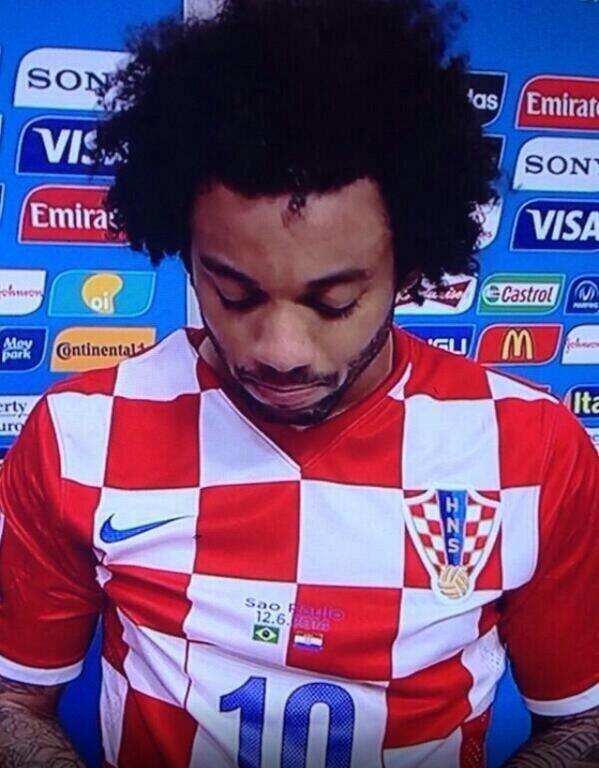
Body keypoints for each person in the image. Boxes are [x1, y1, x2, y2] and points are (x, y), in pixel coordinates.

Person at [0, 0, 597, 765]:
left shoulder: (531, 447)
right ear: (185, 252)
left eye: (333, 302)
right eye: (235, 294)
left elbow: (579, 722)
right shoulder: (81, 432)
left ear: (409, 267)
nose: (280, 351)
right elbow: (14, 702)